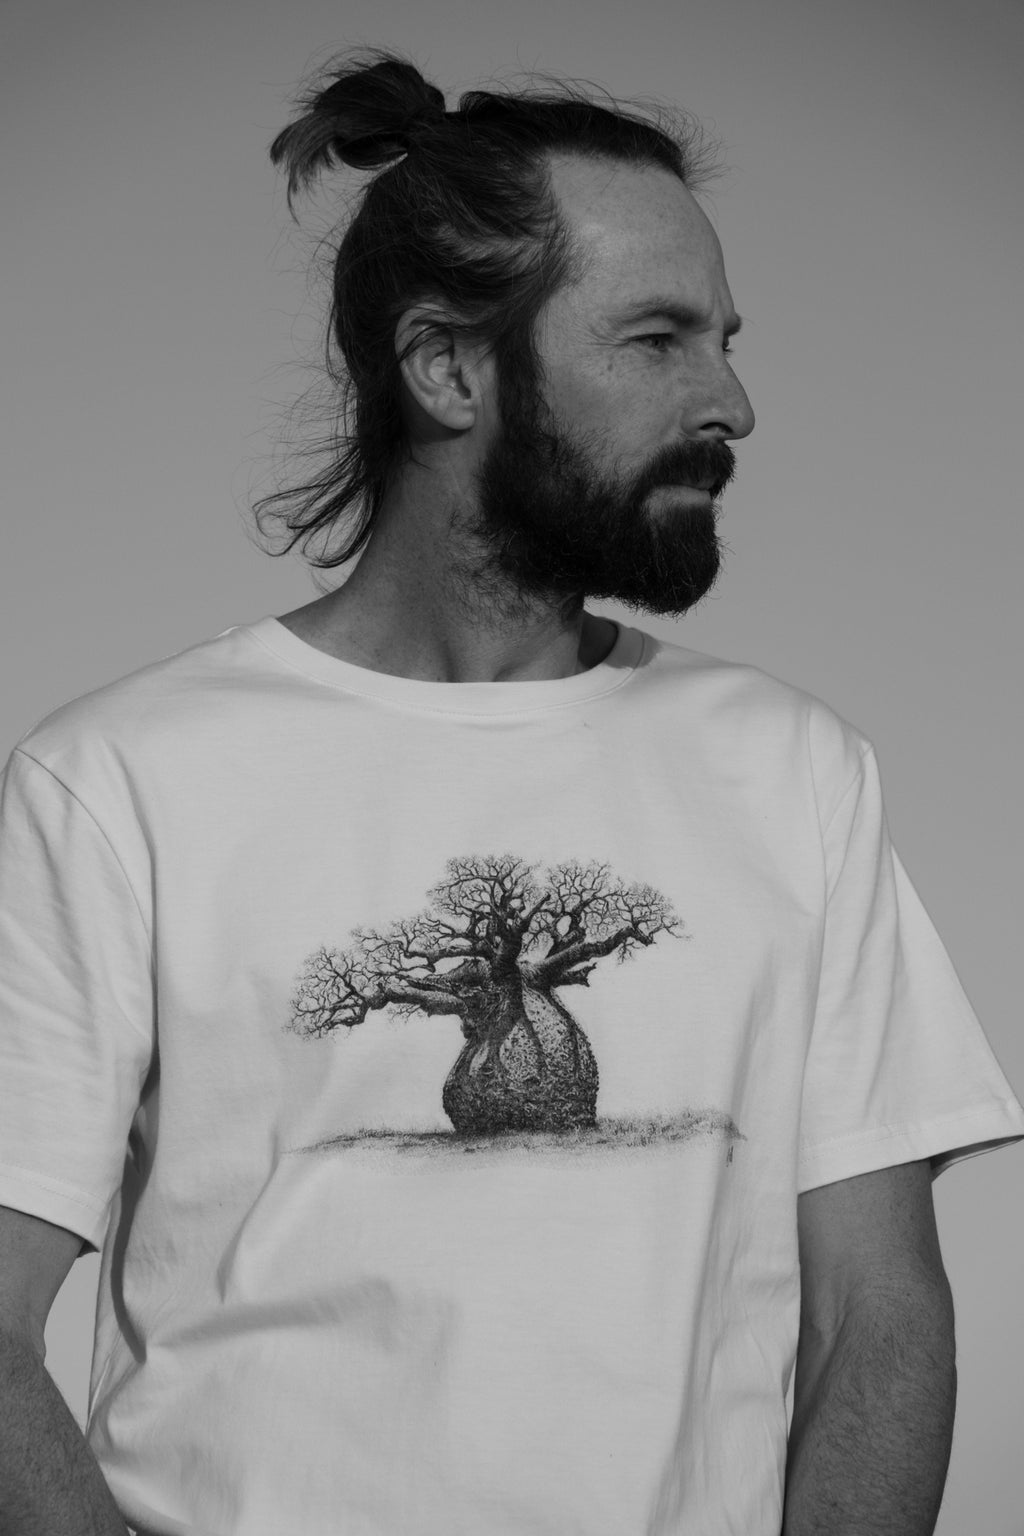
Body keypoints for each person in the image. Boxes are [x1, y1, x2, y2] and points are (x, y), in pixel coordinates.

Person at [0, 47, 1021, 1536]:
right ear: (448, 365)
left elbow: (882, 1319)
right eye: (657, 338)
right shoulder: (120, 781)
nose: (731, 398)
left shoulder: (789, 769)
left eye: (727, 339)